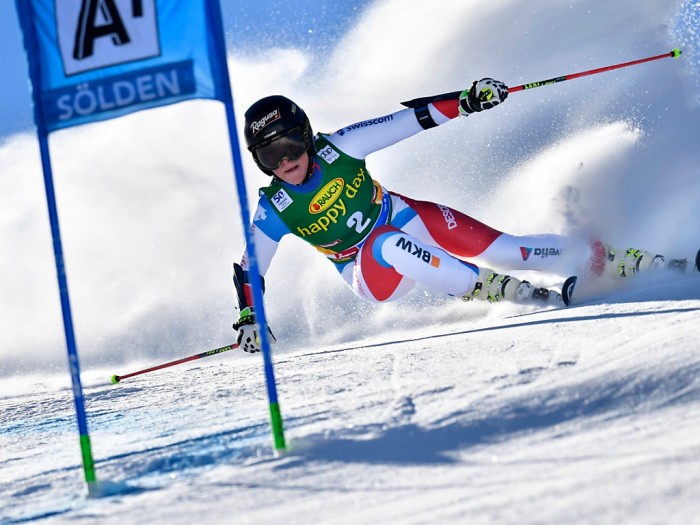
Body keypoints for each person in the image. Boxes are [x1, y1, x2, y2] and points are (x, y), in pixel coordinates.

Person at [232, 79, 692, 353]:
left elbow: (407, 122)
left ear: (307, 136)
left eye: (290, 144)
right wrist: (250, 316)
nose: (285, 161)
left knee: (510, 248)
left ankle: (622, 261)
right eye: (269, 155)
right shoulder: (275, 207)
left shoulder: (341, 148)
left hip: (406, 217)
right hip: (368, 271)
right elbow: (251, 267)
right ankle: (503, 291)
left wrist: (468, 100)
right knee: (386, 243)